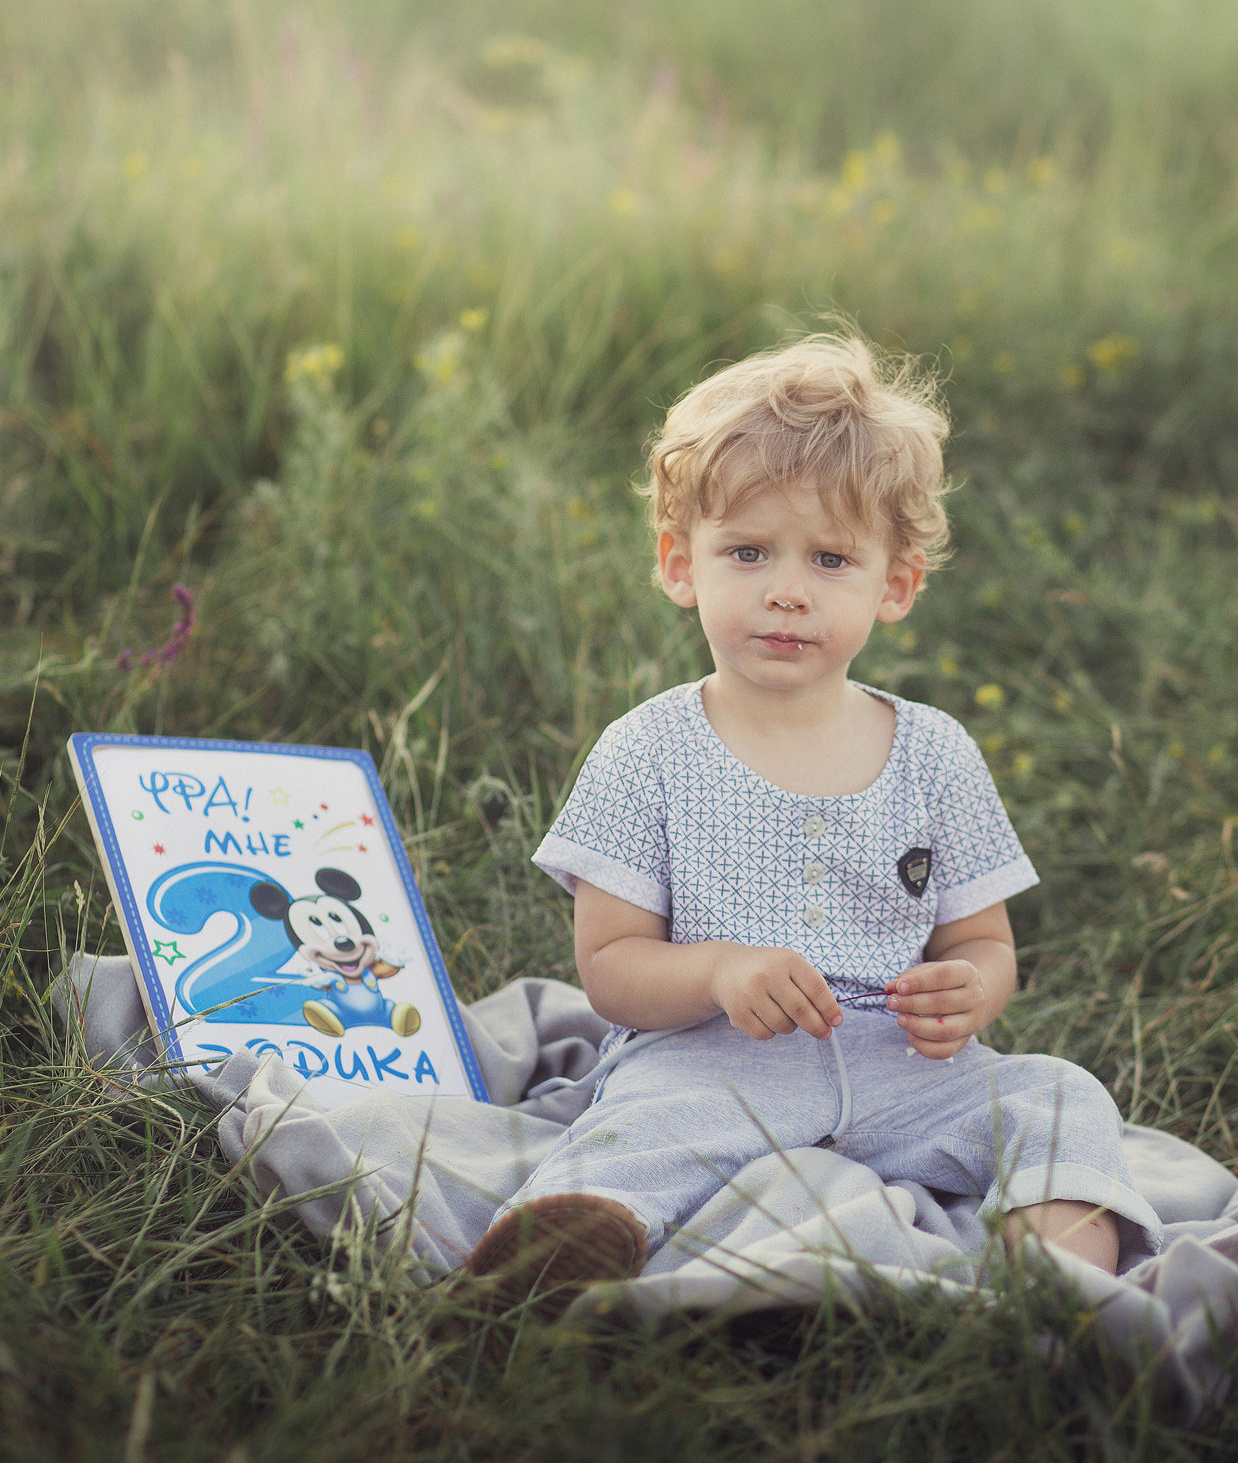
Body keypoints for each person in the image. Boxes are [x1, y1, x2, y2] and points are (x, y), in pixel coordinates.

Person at [463, 334, 1157, 1304]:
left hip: (899, 1067)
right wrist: (718, 970)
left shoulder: (934, 754)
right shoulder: (647, 752)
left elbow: (983, 943)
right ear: (679, 564)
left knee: (1059, 1099)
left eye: (831, 558)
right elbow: (610, 970)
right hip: (712, 1062)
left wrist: (970, 991)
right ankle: (563, 1247)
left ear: (895, 586)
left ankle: (1053, 1291)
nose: (786, 589)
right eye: (747, 552)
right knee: (640, 1128)